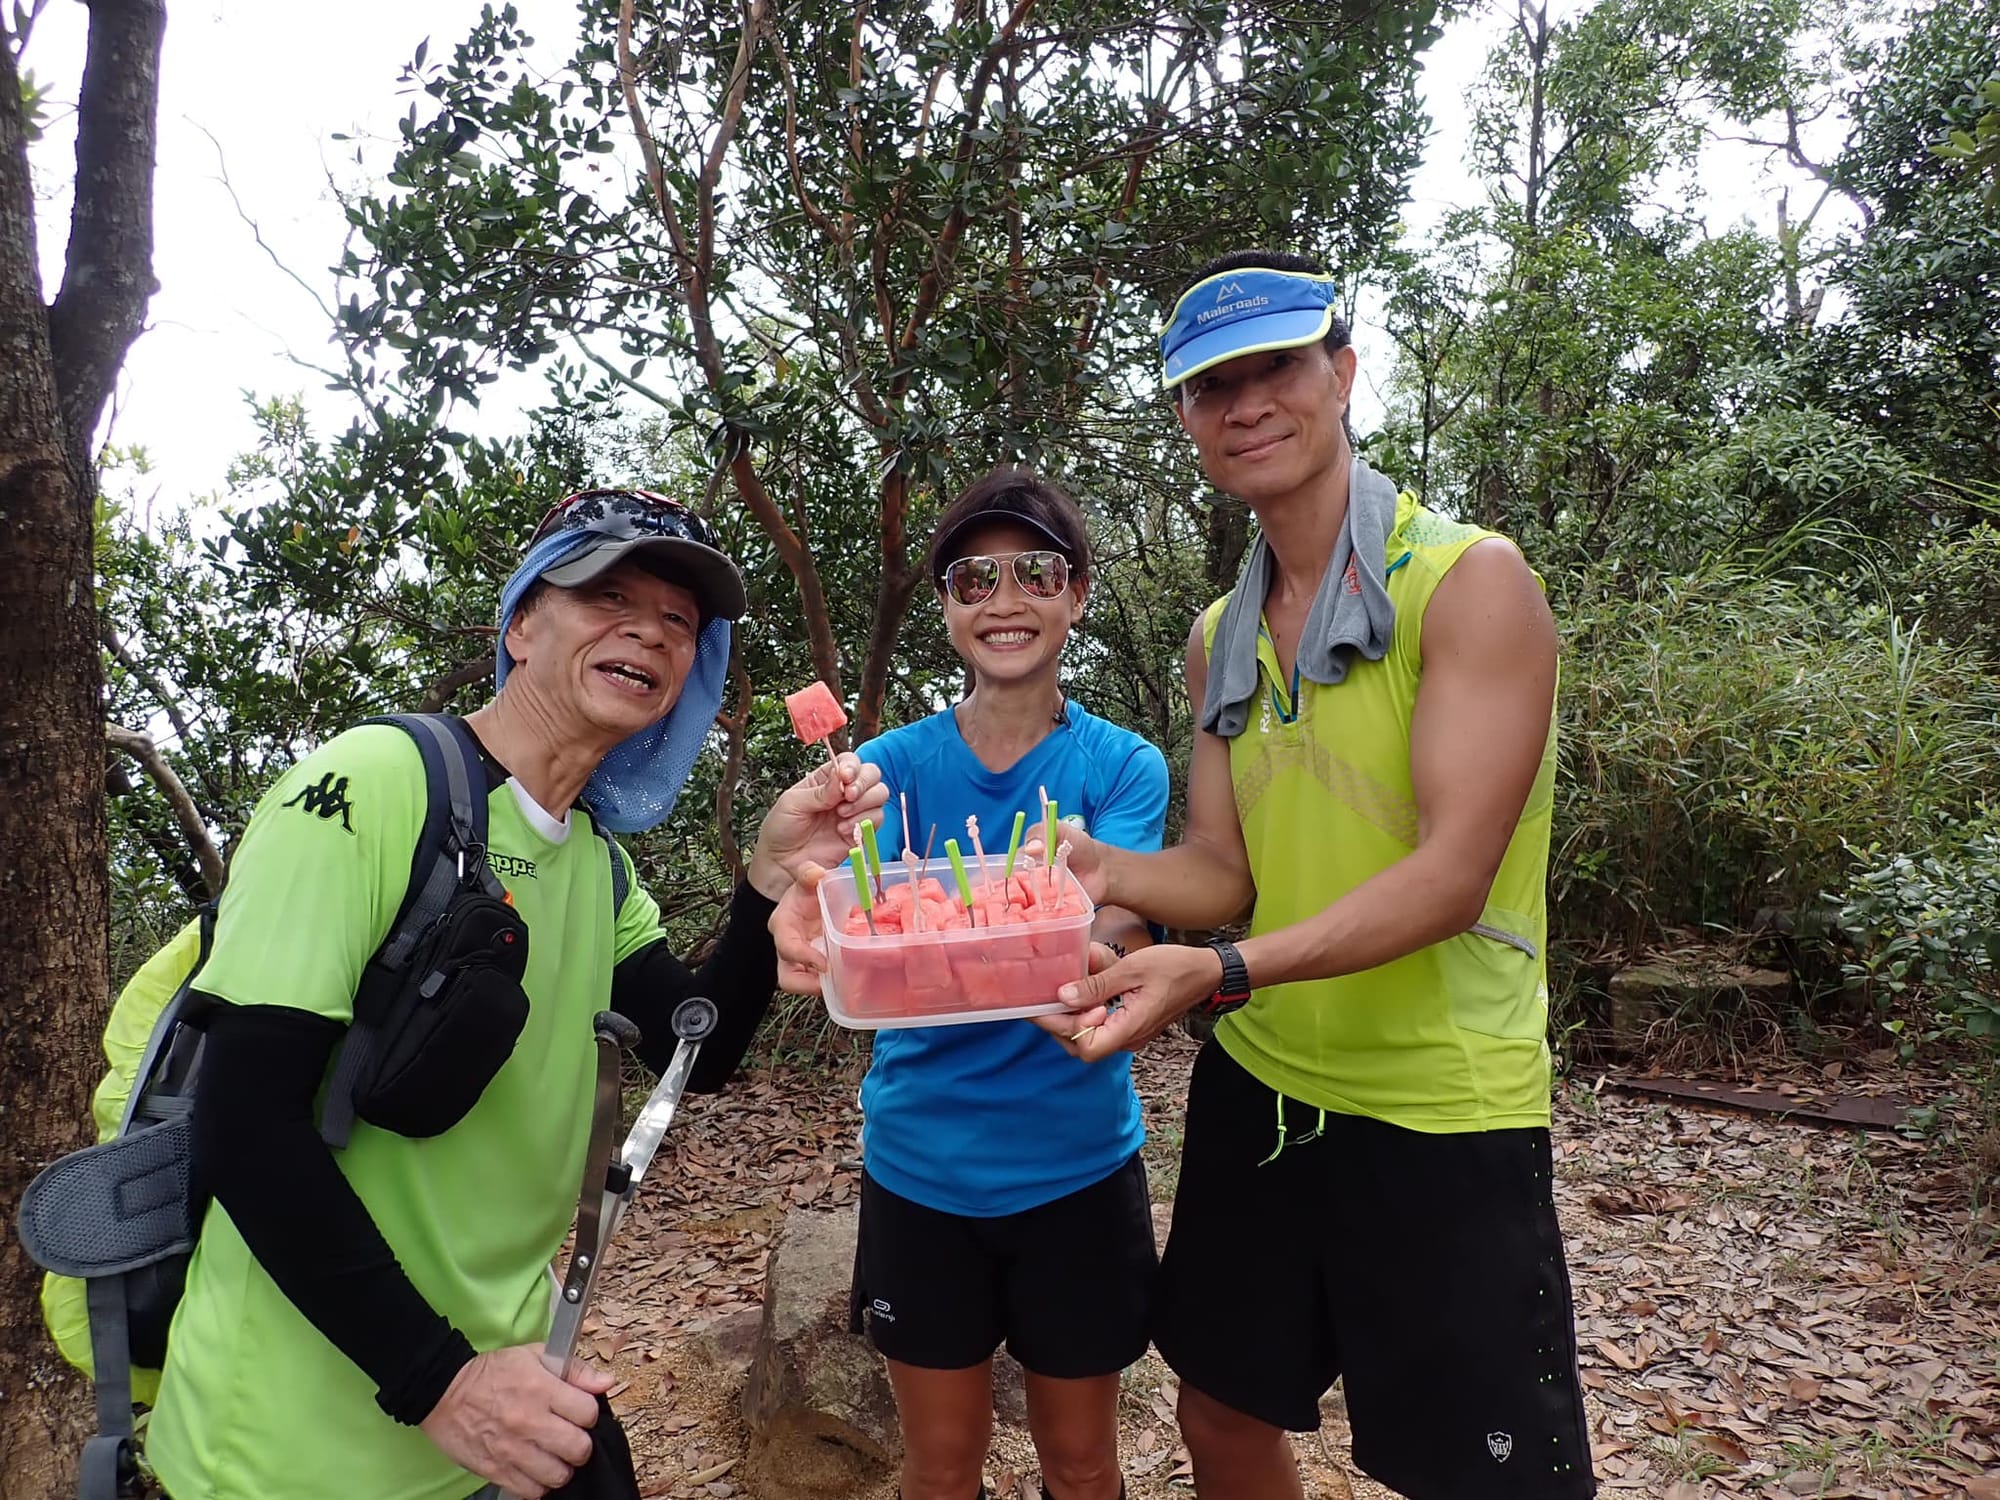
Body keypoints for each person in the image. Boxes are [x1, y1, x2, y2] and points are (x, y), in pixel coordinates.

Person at [142, 489, 884, 1500]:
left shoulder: (594, 863)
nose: (648, 632)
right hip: (295, 1442)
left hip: (509, 1378)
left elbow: (693, 1051)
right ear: (522, 622)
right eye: (607, 595)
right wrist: (438, 1383)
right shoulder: (372, 787)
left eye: (678, 621)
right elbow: (247, 1122)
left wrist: (765, 888)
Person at [1015, 252, 1592, 1499]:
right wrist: (1094, 876)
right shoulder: (1217, 637)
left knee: (1483, 1476)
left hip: (1442, 1105)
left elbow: (1448, 878)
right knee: (1220, 1412)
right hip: (1266, 1093)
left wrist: (1217, 973)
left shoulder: (1465, 583)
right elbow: (1223, 871)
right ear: (1185, 421)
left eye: (1273, 367)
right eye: (1209, 387)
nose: (1244, 405)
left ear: (1338, 372)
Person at [772, 469, 1168, 1500]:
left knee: (1081, 1464)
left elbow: (1116, 924)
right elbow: (821, 898)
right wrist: (802, 873)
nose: (1004, 599)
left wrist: (1083, 952)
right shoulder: (883, 772)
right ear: (944, 606)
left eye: (1034, 572)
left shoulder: (1122, 767)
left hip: (1076, 1167)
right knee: (938, 1463)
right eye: (972, 577)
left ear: (1074, 593)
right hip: (920, 1171)